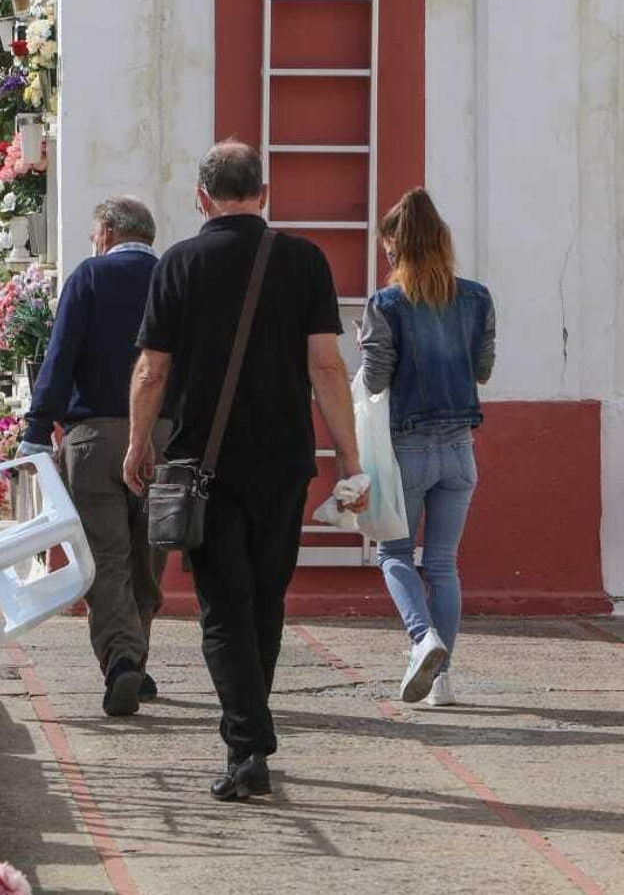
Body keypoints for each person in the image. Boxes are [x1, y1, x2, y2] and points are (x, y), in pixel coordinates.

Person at [123, 140, 367, 802]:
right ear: (264, 193)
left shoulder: (178, 264)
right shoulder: (304, 261)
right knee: (265, 598)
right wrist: (349, 455)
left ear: (201, 198)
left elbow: (152, 369)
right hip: (286, 461)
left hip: (203, 464)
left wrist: (138, 441)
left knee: (223, 608)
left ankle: (247, 745)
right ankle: (250, 733)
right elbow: (325, 365)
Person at [19, 196, 168, 717]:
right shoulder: (172, 277)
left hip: (95, 437)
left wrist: (37, 427)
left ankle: (123, 660)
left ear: (106, 231)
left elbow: (60, 356)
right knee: (148, 557)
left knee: (106, 558)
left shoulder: (89, 277)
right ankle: (137, 658)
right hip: (163, 438)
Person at [359, 188, 495, 708]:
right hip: (460, 449)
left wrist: (367, 342)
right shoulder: (477, 297)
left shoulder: (386, 303)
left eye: (387, 245)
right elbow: (482, 369)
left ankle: (423, 640)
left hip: (407, 449)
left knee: (393, 554)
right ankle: (442, 682)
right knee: (443, 564)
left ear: (396, 243)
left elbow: (376, 379)